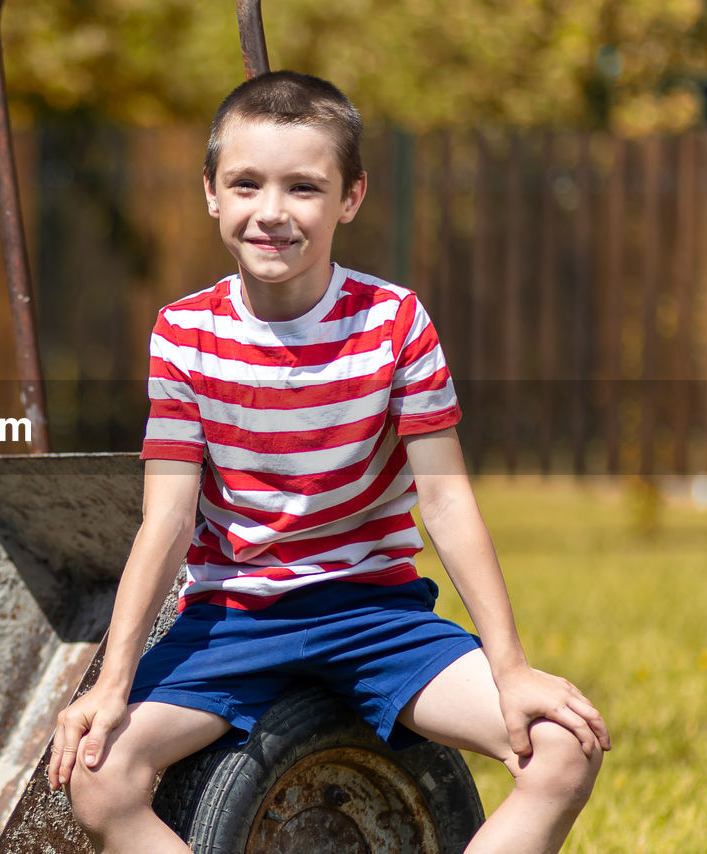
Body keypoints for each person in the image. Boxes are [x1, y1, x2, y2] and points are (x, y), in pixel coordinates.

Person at [46, 70, 610, 854]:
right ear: (211, 192)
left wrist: (510, 667)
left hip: (376, 618)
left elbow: (445, 502)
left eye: (304, 187)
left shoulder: (395, 323)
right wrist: (110, 687)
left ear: (350, 197)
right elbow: (168, 519)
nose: (271, 212)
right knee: (98, 778)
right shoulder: (183, 333)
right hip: (232, 620)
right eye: (246, 184)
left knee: (561, 748)